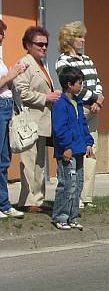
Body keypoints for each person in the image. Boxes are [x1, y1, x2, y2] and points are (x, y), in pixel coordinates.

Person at [55, 21, 105, 209]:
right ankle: (74, 197)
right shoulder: (63, 61)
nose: (83, 40)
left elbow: (96, 81)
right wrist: (93, 98)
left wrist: (98, 101)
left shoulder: (88, 59)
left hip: (93, 109)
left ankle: (87, 196)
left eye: (83, 36)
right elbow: (73, 86)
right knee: (76, 151)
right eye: (79, 36)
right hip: (77, 109)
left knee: (91, 151)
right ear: (69, 39)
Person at [13, 26, 61, 213]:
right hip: (29, 121)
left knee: (40, 162)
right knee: (29, 161)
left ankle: (38, 199)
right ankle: (28, 200)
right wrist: (45, 98)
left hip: (41, 121)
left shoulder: (41, 63)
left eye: (46, 44)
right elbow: (21, 92)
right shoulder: (25, 64)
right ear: (28, 44)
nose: (44, 47)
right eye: (39, 44)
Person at [50, 66, 94, 230]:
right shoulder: (60, 104)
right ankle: (60, 217)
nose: (81, 86)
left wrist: (88, 142)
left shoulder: (78, 102)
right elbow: (59, 129)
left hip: (79, 150)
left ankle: (73, 216)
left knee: (78, 184)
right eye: (79, 83)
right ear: (69, 84)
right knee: (67, 184)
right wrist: (66, 147)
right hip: (67, 152)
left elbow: (83, 125)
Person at [0, 19, 28, 220]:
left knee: (4, 159)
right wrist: (12, 74)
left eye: (2, 33)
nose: (2, 37)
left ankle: (4, 203)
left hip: (6, 107)